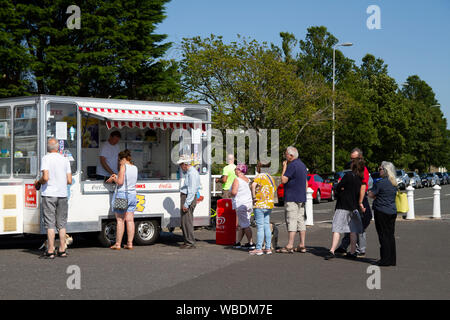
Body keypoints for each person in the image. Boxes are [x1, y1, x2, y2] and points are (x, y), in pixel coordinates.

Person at [35, 138, 72, 259]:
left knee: (50, 224)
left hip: (49, 193)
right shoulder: (65, 159)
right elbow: (69, 180)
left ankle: (50, 250)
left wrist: (38, 182)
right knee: (61, 224)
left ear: (48, 147)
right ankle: (62, 250)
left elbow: (45, 177)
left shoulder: (46, 158)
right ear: (57, 147)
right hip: (62, 194)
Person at [325, 158, 365, 260]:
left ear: (353, 166)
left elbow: (338, 187)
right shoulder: (360, 179)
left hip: (343, 205)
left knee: (337, 228)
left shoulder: (348, 175)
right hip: (354, 207)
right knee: (353, 230)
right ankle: (352, 252)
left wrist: (342, 190)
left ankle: (332, 250)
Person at [336, 148, 372, 257]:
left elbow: (363, 187)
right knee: (352, 225)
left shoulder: (362, 170)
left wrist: (360, 202)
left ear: (360, 158)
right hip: (353, 200)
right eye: (351, 159)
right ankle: (348, 247)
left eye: (354, 159)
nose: (352, 161)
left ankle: (358, 248)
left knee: (360, 223)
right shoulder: (352, 171)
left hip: (359, 199)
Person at [276, 146, 308, 254]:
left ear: (291, 155)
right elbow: (306, 183)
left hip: (292, 197)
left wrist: (284, 167)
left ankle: (289, 245)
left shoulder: (292, 165)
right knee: (301, 221)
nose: (285, 156)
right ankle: (302, 244)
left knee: (291, 220)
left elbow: (284, 180)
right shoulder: (302, 165)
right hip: (301, 197)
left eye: (286, 154)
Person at [106, 150, 138, 250]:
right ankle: (129, 243)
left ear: (123, 159)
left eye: (119, 160)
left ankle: (118, 244)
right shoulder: (135, 167)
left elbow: (120, 182)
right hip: (132, 195)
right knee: (130, 220)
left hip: (122, 195)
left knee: (120, 220)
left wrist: (113, 178)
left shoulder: (123, 166)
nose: (119, 162)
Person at [368, 161, 398, 267]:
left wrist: (369, 192)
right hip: (392, 211)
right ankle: (392, 259)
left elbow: (372, 194)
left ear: (385, 170)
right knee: (390, 235)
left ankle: (384, 259)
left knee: (383, 236)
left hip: (381, 211)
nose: (378, 171)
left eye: (380, 169)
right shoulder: (394, 182)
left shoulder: (380, 183)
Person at [249, 162, 277, 255]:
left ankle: (259, 248)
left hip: (260, 204)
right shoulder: (271, 178)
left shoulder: (259, 176)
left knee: (260, 227)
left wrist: (254, 196)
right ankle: (268, 248)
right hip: (269, 204)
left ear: (259, 168)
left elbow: (253, 185)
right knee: (266, 226)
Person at [178, 154, 201, 249]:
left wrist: (186, 203)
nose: (180, 167)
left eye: (181, 164)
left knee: (187, 221)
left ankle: (190, 242)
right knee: (185, 221)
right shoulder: (190, 172)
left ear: (185, 164)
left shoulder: (192, 173)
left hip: (188, 198)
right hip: (188, 197)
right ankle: (188, 241)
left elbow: (191, 190)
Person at [231, 163, 255, 250]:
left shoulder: (237, 179)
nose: (235, 170)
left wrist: (229, 194)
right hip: (248, 203)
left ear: (239, 170)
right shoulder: (247, 179)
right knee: (243, 224)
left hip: (241, 204)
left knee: (245, 225)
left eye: (236, 169)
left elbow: (234, 192)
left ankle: (251, 242)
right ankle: (238, 242)